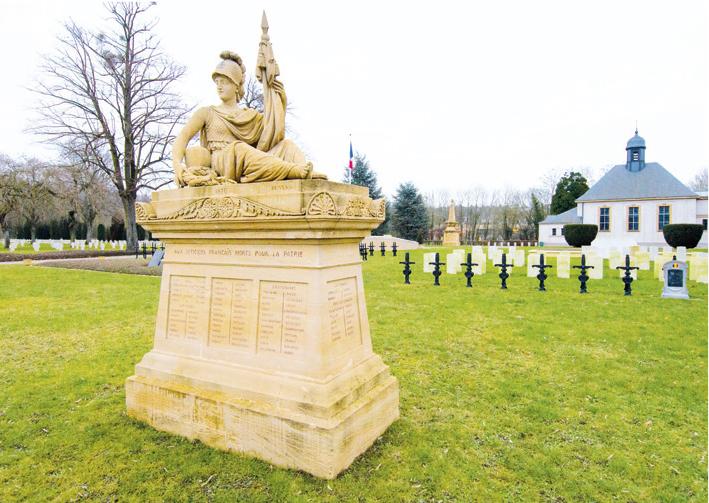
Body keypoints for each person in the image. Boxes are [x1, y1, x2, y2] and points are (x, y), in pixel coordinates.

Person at [172, 51, 324, 186]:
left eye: (224, 82)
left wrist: (279, 100)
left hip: (248, 164)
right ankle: (293, 170)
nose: (219, 86)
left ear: (236, 85)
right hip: (222, 165)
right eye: (217, 82)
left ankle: (305, 174)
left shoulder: (250, 116)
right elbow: (183, 137)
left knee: (287, 145)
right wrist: (177, 165)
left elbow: (273, 132)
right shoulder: (207, 112)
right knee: (239, 148)